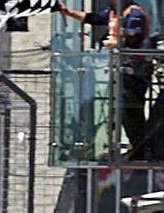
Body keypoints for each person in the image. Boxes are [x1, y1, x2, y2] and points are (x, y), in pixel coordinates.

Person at [59, 0, 151, 159]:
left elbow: (135, 35)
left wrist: (115, 43)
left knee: (131, 109)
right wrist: (67, 12)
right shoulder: (113, 12)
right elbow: (93, 18)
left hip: (135, 68)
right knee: (122, 109)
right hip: (120, 65)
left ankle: (140, 149)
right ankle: (133, 146)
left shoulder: (133, 12)